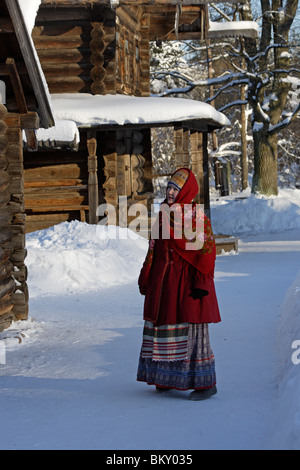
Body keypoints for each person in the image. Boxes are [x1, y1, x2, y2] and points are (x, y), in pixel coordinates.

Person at [136, 167, 221, 400]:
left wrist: (200, 282)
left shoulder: (196, 216)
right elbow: (153, 248)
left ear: (187, 191)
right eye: (169, 187)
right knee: (161, 329)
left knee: (189, 331)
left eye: (176, 189)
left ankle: (204, 384)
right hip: (163, 283)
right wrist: (147, 275)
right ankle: (165, 378)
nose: (171, 192)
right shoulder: (163, 214)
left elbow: (206, 251)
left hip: (186, 284)